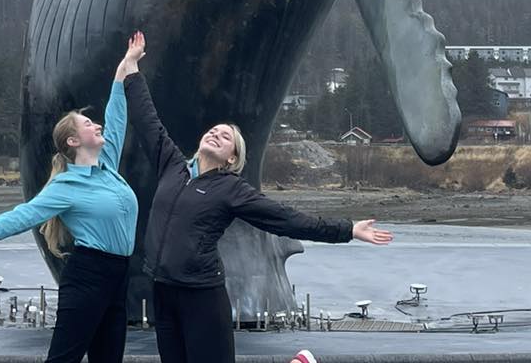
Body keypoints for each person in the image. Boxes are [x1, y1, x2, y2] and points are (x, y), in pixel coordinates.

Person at [121, 31, 393, 363]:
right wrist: (132, 68)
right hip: (162, 291)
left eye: (226, 137)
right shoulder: (173, 165)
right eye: (214, 130)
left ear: (232, 159)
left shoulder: (231, 189)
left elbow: (287, 220)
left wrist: (347, 229)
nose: (216, 134)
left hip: (202, 298)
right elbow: (148, 121)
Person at [0, 36, 145, 363]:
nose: (97, 126)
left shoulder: (107, 164)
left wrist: (125, 67)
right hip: (88, 276)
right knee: (63, 359)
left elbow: (117, 114)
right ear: (73, 140)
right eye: (87, 124)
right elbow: (23, 215)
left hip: (118, 275)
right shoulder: (65, 186)